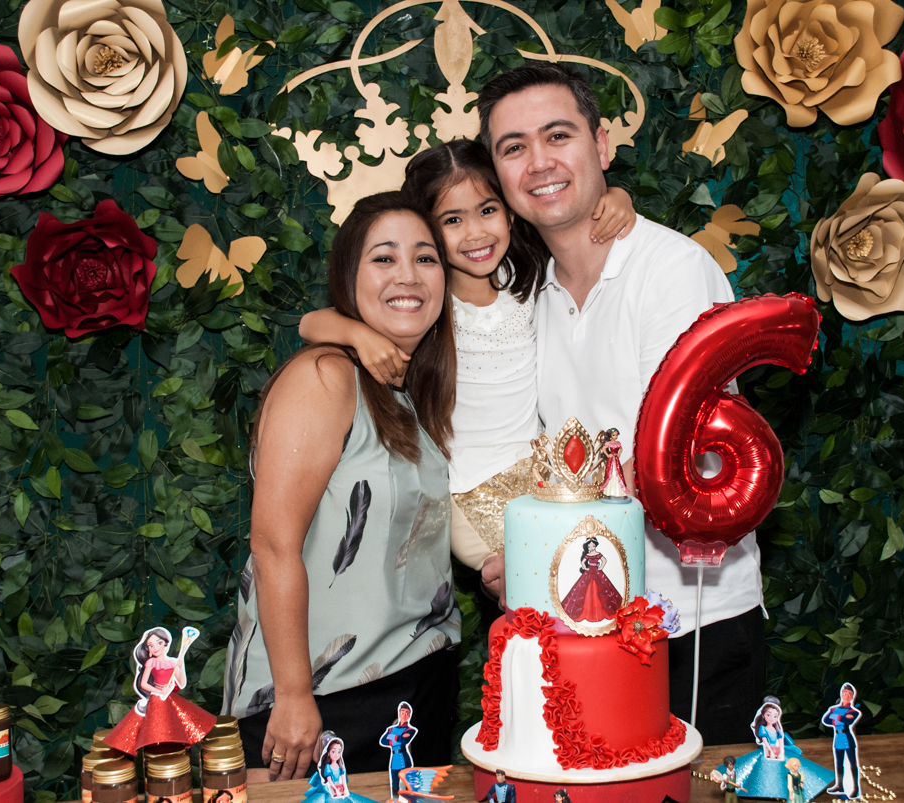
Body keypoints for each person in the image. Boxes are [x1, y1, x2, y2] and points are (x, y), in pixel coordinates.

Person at [475, 62, 765, 745]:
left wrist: (536, 549)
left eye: (558, 135)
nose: (539, 162)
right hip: (581, 627)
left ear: (602, 145)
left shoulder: (670, 270)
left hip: (694, 619)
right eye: (514, 147)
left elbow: (671, 459)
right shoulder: (528, 292)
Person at [300, 140, 634, 578]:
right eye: (453, 220)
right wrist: (357, 334)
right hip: (471, 493)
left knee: (587, 581)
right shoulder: (427, 304)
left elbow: (581, 218)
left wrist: (618, 197)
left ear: (510, 211)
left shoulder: (527, 274)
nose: (475, 233)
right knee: (548, 585)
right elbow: (310, 322)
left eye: (487, 210)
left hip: (542, 477)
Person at [222, 192, 462, 782]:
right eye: (384, 258)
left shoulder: (410, 395)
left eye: (425, 258)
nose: (408, 275)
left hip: (417, 687)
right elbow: (273, 546)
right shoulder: (325, 377)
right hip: (325, 700)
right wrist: (293, 696)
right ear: (348, 278)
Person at [105, 627, 215, 753]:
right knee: (157, 725)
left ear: (165, 643)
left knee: (179, 724)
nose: (155, 648)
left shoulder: (173, 662)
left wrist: (180, 668)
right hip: (157, 697)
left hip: (171, 697)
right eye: (150, 645)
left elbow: (181, 683)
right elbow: (143, 684)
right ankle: (158, 749)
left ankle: (172, 749)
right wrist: (159, 691)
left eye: (159, 643)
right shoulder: (151, 662)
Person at [717, 697, 832, 799]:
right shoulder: (763, 729)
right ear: (763, 715)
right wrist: (770, 749)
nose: (772, 718)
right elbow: (765, 741)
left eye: (775, 716)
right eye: (769, 715)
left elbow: (781, 739)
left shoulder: (777, 729)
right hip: (768, 751)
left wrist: (779, 749)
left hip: (778, 751)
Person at [560, 536, 622, 621]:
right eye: (589, 547)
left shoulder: (598, 554)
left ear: (596, 545)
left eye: (593, 546)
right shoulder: (588, 555)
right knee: (586, 588)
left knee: (602, 588)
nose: (591, 548)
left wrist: (601, 567)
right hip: (589, 572)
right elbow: (583, 562)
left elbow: (604, 560)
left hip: (597, 572)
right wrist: (585, 568)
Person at [821, 682, 861, 799]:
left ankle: (856, 788)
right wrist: (839, 718)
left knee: (852, 763)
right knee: (838, 763)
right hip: (837, 737)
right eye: (845, 693)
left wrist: (837, 717)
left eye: (850, 694)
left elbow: (847, 720)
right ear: (841, 694)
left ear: (852, 697)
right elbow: (826, 720)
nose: (847, 696)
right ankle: (839, 785)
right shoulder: (833, 708)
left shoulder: (853, 711)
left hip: (847, 737)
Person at [379, 703, 418, 798]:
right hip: (394, 759)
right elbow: (384, 741)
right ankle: (395, 800)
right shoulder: (391, 729)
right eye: (402, 712)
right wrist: (398, 738)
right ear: (399, 713)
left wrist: (392, 737)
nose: (404, 715)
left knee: (408, 782)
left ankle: (410, 799)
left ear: (409, 715)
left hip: (404, 758)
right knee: (395, 783)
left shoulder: (411, 730)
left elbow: (404, 740)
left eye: (407, 713)